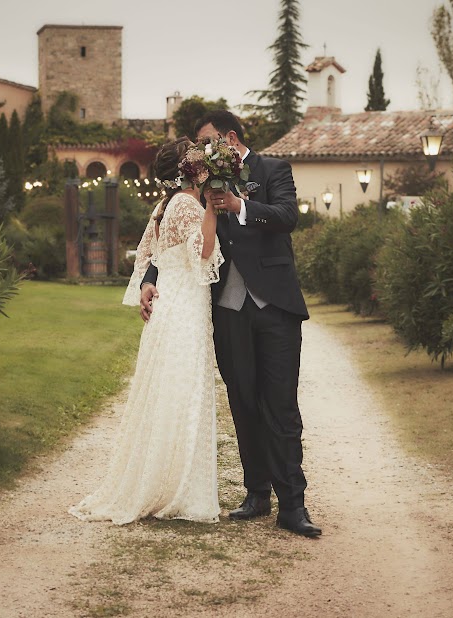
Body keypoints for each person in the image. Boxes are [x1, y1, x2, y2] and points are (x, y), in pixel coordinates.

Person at [140, 111, 321, 537]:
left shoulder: (273, 169)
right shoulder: (197, 186)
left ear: (230, 138)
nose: (200, 153)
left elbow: (287, 216)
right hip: (228, 309)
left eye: (206, 143)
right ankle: (256, 493)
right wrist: (150, 278)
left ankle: (292, 504)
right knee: (243, 400)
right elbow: (169, 233)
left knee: (281, 405)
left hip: (275, 307)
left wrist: (240, 206)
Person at [70, 137, 223, 524]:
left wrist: (147, 284)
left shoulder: (164, 205)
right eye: (198, 160)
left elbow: (149, 257)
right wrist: (214, 209)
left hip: (171, 306)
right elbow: (204, 253)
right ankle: (178, 490)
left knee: (168, 391)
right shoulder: (188, 205)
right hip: (184, 308)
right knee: (184, 393)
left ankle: (164, 480)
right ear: (190, 171)